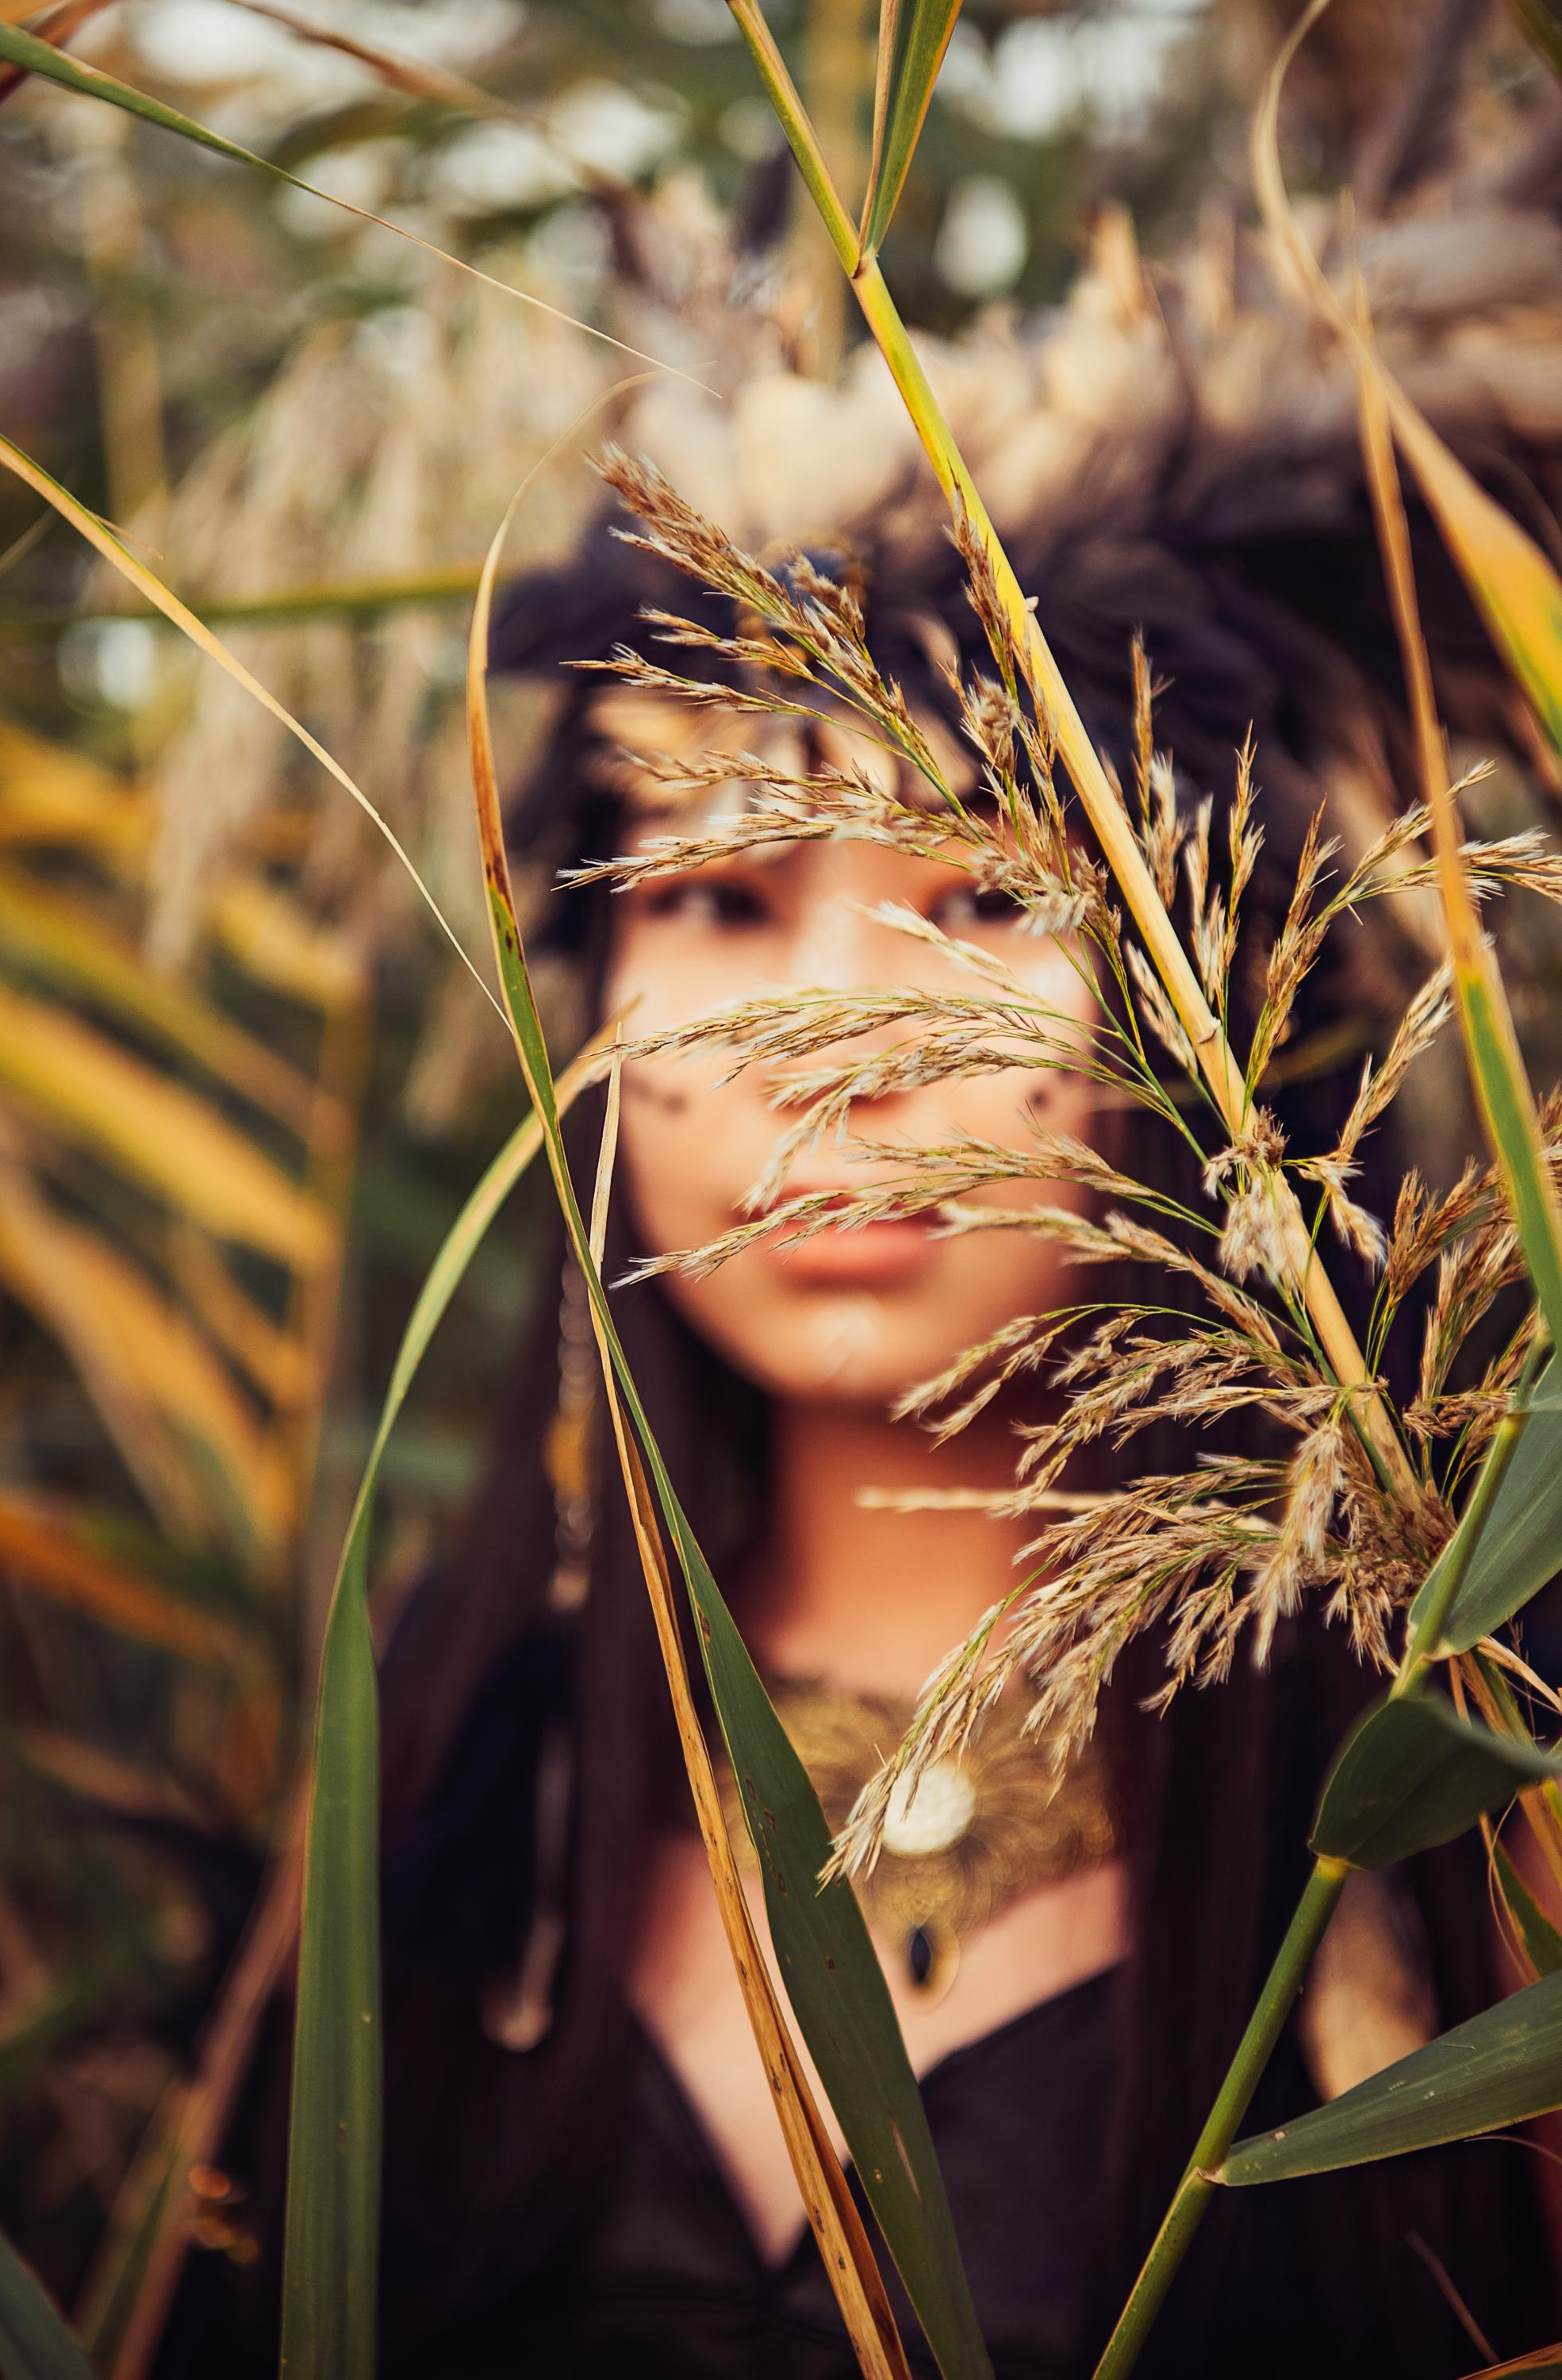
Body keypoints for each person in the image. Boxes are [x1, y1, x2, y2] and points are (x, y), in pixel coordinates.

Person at [162, 187, 1562, 2380]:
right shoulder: (434, 1795)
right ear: (595, 994)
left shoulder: (1476, 1800)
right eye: (718, 903)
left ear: (1212, 1019)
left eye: (982, 897)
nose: (824, 1058)